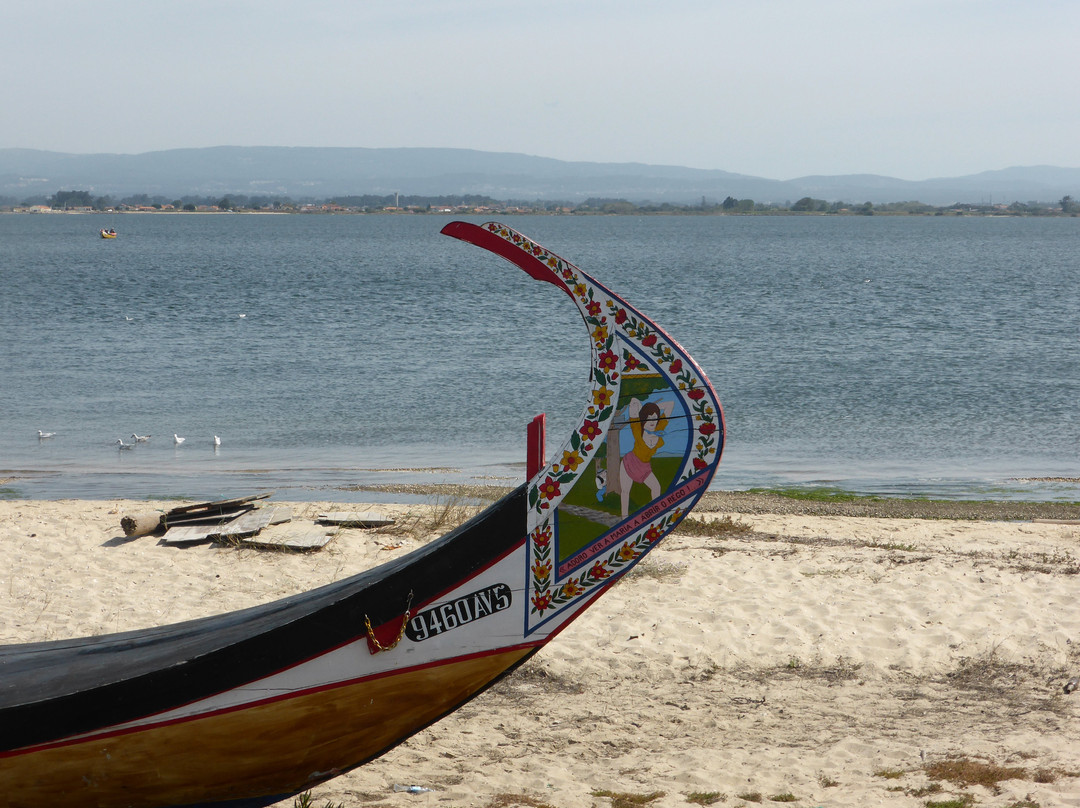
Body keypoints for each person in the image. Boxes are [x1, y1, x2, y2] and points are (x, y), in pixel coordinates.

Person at [619, 397, 674, 517]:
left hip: (644, 467)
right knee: (625, 491)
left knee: (656, 487)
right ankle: (624, 517)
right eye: (649, 418)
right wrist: (644, 408)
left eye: (655, 417)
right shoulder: (637, 428)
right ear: (644, 419)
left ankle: (655, 514)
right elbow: (633, 401)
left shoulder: (660, 428)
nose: (652, 421)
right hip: (630, 462)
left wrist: (653, 408)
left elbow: (670, 404)